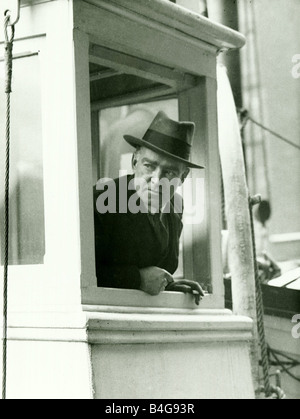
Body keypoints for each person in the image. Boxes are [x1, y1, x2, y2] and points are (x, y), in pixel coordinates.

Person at [94, 111, 204, 304]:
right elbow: (81, 274)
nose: (157, 180)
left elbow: (155, 267)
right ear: (135, 161)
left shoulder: (176, 206)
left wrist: (168, 285)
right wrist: (138, 279)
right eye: (149, 166)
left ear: (183, 176)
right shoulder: (103, 197)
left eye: (169, 172)